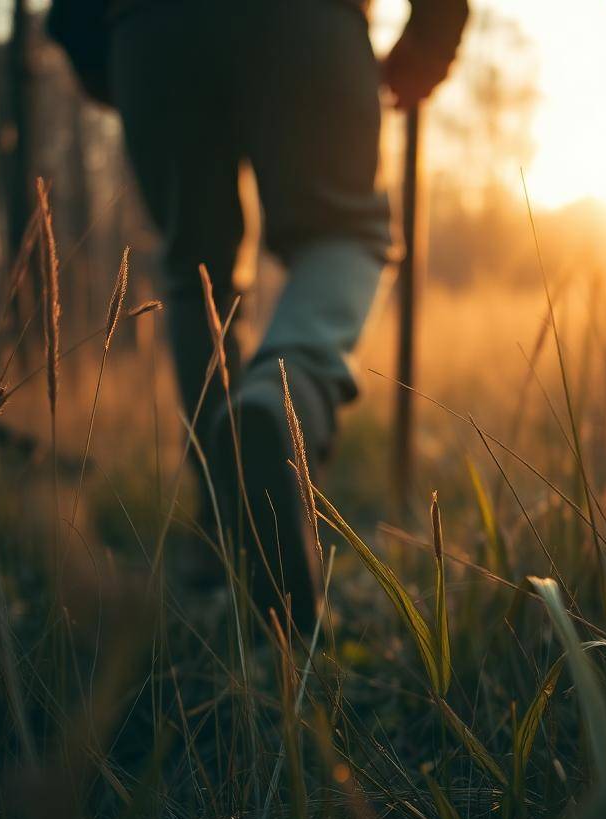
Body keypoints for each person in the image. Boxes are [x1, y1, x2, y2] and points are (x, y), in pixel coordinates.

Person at [47, 0, 469, 632]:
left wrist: (116, 50)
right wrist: (433, 38)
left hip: (148, 28)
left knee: (197, 279)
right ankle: (285, 394)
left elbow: (72, 18)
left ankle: (225, 521)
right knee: (344, 234)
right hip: (308, 22)